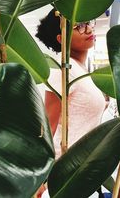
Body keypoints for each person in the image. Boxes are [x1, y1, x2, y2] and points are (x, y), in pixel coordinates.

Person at [36, 8, 106, 157]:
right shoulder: (62, 72)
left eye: (88, 23)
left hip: (82, 164)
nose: (88, 29)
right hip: (63, 164)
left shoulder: (81, 70)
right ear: (61, 38)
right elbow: (48, 125)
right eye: (78, 26)